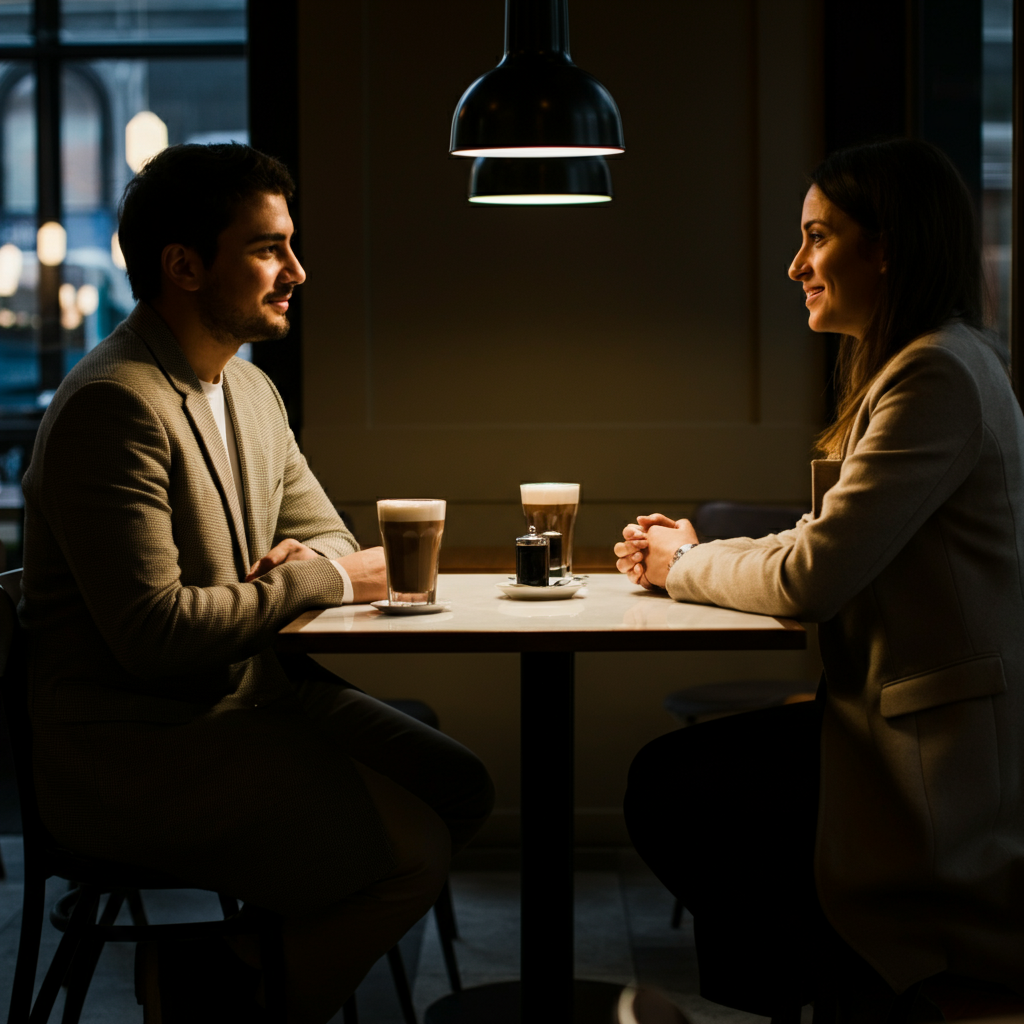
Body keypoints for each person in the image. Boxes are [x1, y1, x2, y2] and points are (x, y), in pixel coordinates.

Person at [21, 143, 494, 1024]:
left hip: (251, 697)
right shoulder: (112, 405)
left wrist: (314, 569)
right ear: (185, 266)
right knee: (414, 849)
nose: (297, 271)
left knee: (459, 789)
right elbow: (154, 635)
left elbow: (336, 544)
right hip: (138, 744)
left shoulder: (249, 390)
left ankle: (227, 969)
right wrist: (312, 581)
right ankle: (232, 1000)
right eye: (269, 248)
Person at [615, 139, 1024, 1019]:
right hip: (907, 727)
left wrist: (684, 563)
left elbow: (811, 578)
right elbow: (822, 541)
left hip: (932, 759)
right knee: (693, 788)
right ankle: (795, 987)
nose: (796, 263)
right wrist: (694, 553)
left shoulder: (934, 374)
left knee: (681, 790)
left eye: (817, 237)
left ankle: (800, 987)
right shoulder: (934, 361)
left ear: (887, 247)